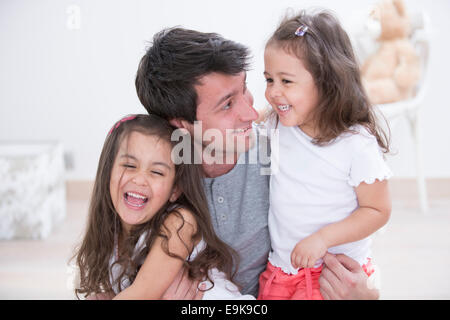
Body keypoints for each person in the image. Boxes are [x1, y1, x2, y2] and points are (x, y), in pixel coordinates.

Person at [135, 27, 381, 299]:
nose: (252, 113)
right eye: (227, 105)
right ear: (181, 124)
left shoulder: (281, 148)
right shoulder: (152, 180)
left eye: (245, 90)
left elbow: (355, 237)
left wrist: (366, 296)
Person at [257, 10, 392, 300]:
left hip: (333, 277)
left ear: (326, 82)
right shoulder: (277, 124)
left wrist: (324, 239)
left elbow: (377, 210)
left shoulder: (356, 143)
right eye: (269, 80)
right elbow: (243, 126)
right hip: (282, 271)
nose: (273, 92)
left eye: (286, 81)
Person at [72, 114, 254, 300]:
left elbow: (141, 294)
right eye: (129, 165)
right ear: (108, 171)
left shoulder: (180, 222)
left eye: (157, 172)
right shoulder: (111, 235)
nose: (140, 179)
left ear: (175, 189)